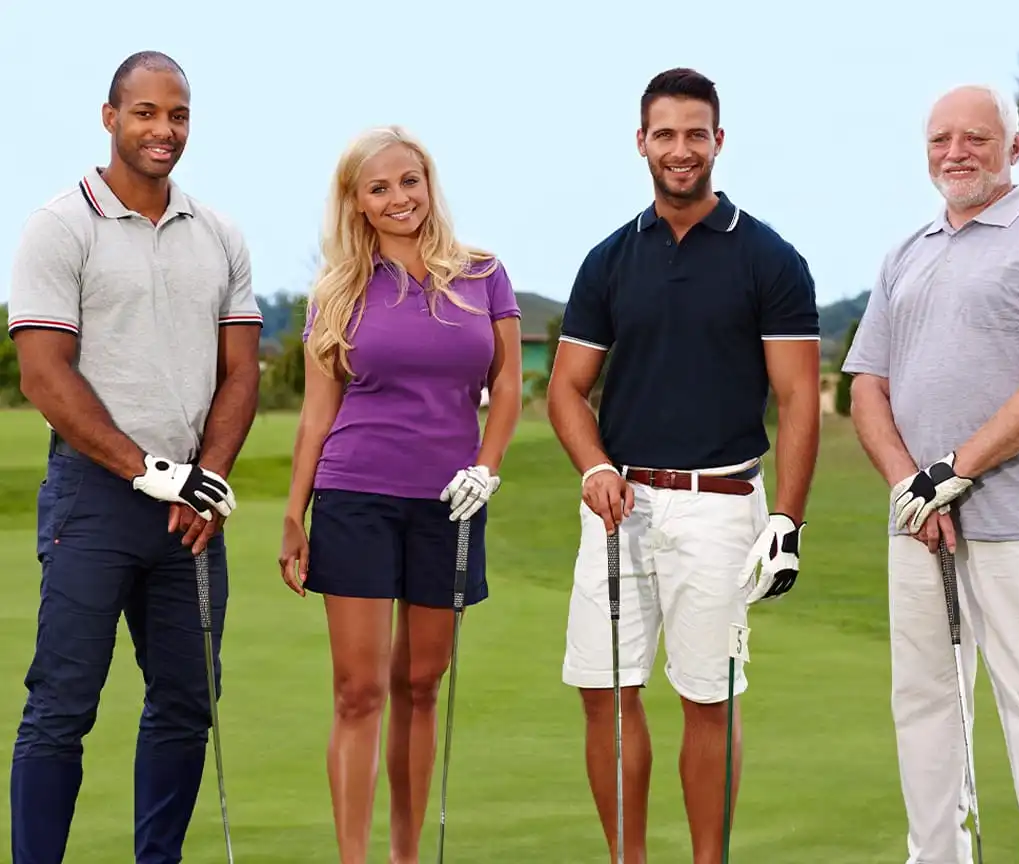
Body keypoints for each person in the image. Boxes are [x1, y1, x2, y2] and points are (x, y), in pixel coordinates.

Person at [547, 68, 822, 863]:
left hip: (722, 505)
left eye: (695, 134)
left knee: (709, 699)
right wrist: (595, 466)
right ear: (641, 142)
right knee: (604, 690)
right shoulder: (608, 260)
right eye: (664, 134)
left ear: (718, 142)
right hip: (619, 503)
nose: (680, 150)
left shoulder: (769, 258)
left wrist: (787, 520)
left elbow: (799, 400)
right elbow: (566, 390)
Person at [843, 84, 1019, 864]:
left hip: (1016, 523)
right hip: (921, 526)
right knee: (924, 704)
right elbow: (867, 386)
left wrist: (955, 471)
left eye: (975, 138)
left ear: (1014, 149)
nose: (955, 152)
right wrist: (913, 487)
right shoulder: (906, 253)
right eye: (939, 140)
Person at [6, 51, 262, 864]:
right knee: (63, 703)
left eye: (178, 114)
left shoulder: (219, 232)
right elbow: (45, 375)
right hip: (96, 501)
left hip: (193, 504)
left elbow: (241, 370)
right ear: (110, 117)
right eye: (146, 112)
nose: (164, 130)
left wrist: (205, 479)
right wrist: (148, 471)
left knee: (188, 702)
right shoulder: (61, 224)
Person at [277, 125, 522, 864]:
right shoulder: (338, 291)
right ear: (355, 201)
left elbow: (505, 384)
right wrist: (294, 512)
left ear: (428, 181)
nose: (398, 198)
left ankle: (405, 856)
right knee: (359, 692)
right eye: (378, 187)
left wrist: (487, 463)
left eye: (408, 181)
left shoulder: (483, 272)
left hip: (452, 501)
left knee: (421, 682)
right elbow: (319, 413)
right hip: (355, 494)